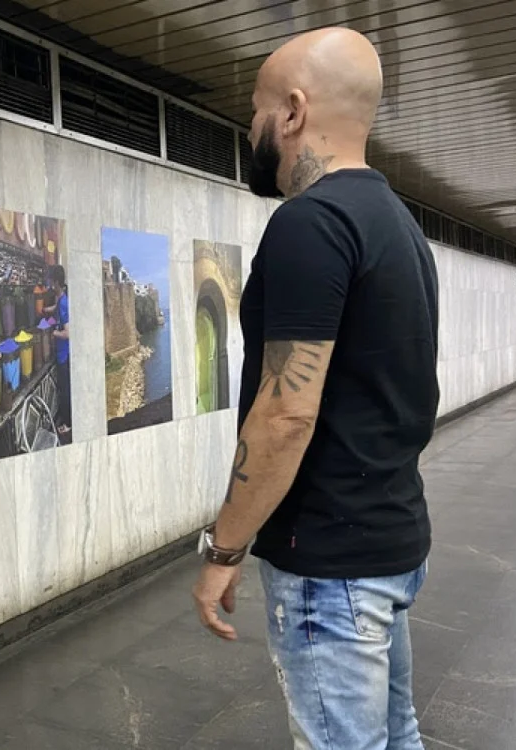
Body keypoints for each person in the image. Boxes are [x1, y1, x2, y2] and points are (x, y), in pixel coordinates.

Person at [190, 27, 439, 750]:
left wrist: (224, 551)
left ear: (293, 111)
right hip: (391, 541)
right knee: (397, 736)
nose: (251, 127)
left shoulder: (311, 224)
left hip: (330, 562)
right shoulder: (399, 226)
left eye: (257, 109)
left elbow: (284, 414)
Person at [48, 264, 72, 439]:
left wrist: (53, 333)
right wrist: (45, 310)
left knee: (65, 391)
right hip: (63, 353)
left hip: (64, 355)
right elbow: (55, 308)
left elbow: (68, 333)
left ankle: (68, 425)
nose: (49, 285)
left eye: (51, 281)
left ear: (56, 282)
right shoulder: (61, 298)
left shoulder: (64, 304)